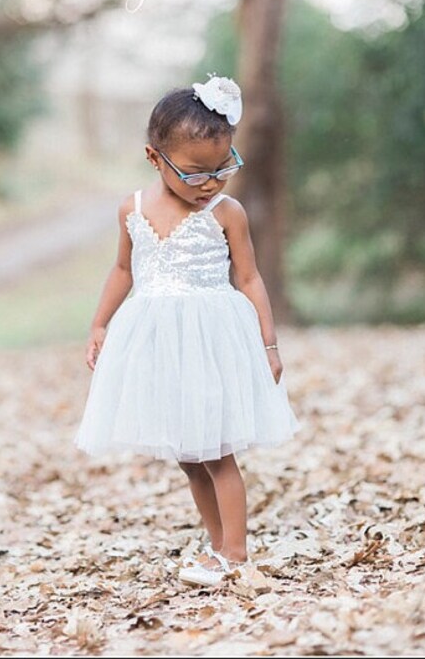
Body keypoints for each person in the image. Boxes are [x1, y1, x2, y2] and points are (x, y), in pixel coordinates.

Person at [75, 74, 299, 587]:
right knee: (187, 454)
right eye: (197, 173)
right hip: (158, 346)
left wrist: (268, 343)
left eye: (223, 169)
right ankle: (216, 543)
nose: (211, 183)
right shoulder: (131, 209)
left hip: (211, 342)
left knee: (217, 450)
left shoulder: (228, 213)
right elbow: (124, 271)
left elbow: (248, 277)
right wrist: (99, 322)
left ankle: (235, 554)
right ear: (155, 158)